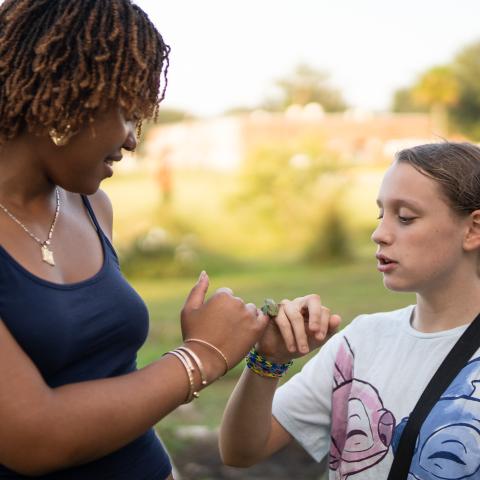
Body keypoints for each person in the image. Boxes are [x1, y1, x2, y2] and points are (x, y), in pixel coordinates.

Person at [0, 1, 272, 478]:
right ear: (68, 92)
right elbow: (31, 436)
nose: (132, 139)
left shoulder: (91, 206)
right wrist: (201, 356)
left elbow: (113, 383)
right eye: (126, 111)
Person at [220, 142, 480, 479]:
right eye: (380, 214)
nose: (379, 234)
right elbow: (240, 451)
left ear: (473, 229)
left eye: (405, 218)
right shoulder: (360, 342)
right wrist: (268, 361)